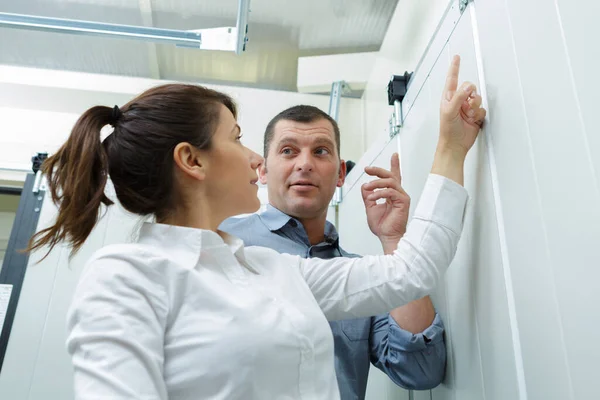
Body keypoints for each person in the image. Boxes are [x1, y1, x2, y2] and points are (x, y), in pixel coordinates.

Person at [27, 55, 485, 400]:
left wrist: (450, 149)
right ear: (191, 160)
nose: (253, 159)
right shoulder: (128, 275)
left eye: (321, 153)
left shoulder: (269, 269)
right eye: (237, 138)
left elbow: (411, 272)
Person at [219, 113, 452, 397]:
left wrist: (393, 239)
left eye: (320, 151)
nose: (304, 164)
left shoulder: (359, 275)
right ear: (264, 171)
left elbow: (421, 369)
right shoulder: (223, 241)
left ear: (341, 173)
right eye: (288, 151)